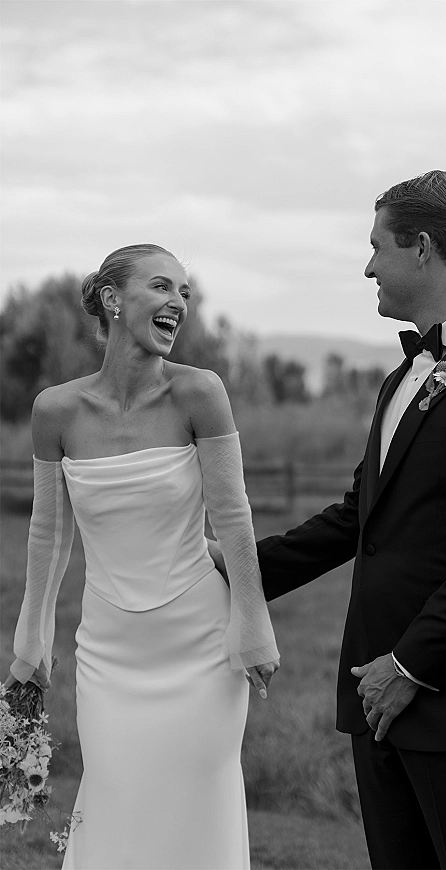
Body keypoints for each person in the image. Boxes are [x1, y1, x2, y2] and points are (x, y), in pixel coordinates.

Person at [232, 171, 446, 869]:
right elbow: (362, 519)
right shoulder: (400, 378)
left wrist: (410, 666)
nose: (367, 267)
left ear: (421, 248)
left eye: (376, 246)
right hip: (376, 702)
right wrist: (236, 568)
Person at [6, 243, 279, 870]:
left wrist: (253, 622)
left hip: (201, 645)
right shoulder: (56, 410)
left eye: (183, 293)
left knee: (197, 806)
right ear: (112, 299)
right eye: (162, 287)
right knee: (116, 801)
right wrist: (33, 628)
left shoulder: (200, 394)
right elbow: (49, 532)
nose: (178, 304)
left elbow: (233, 516)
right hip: (110, 651)